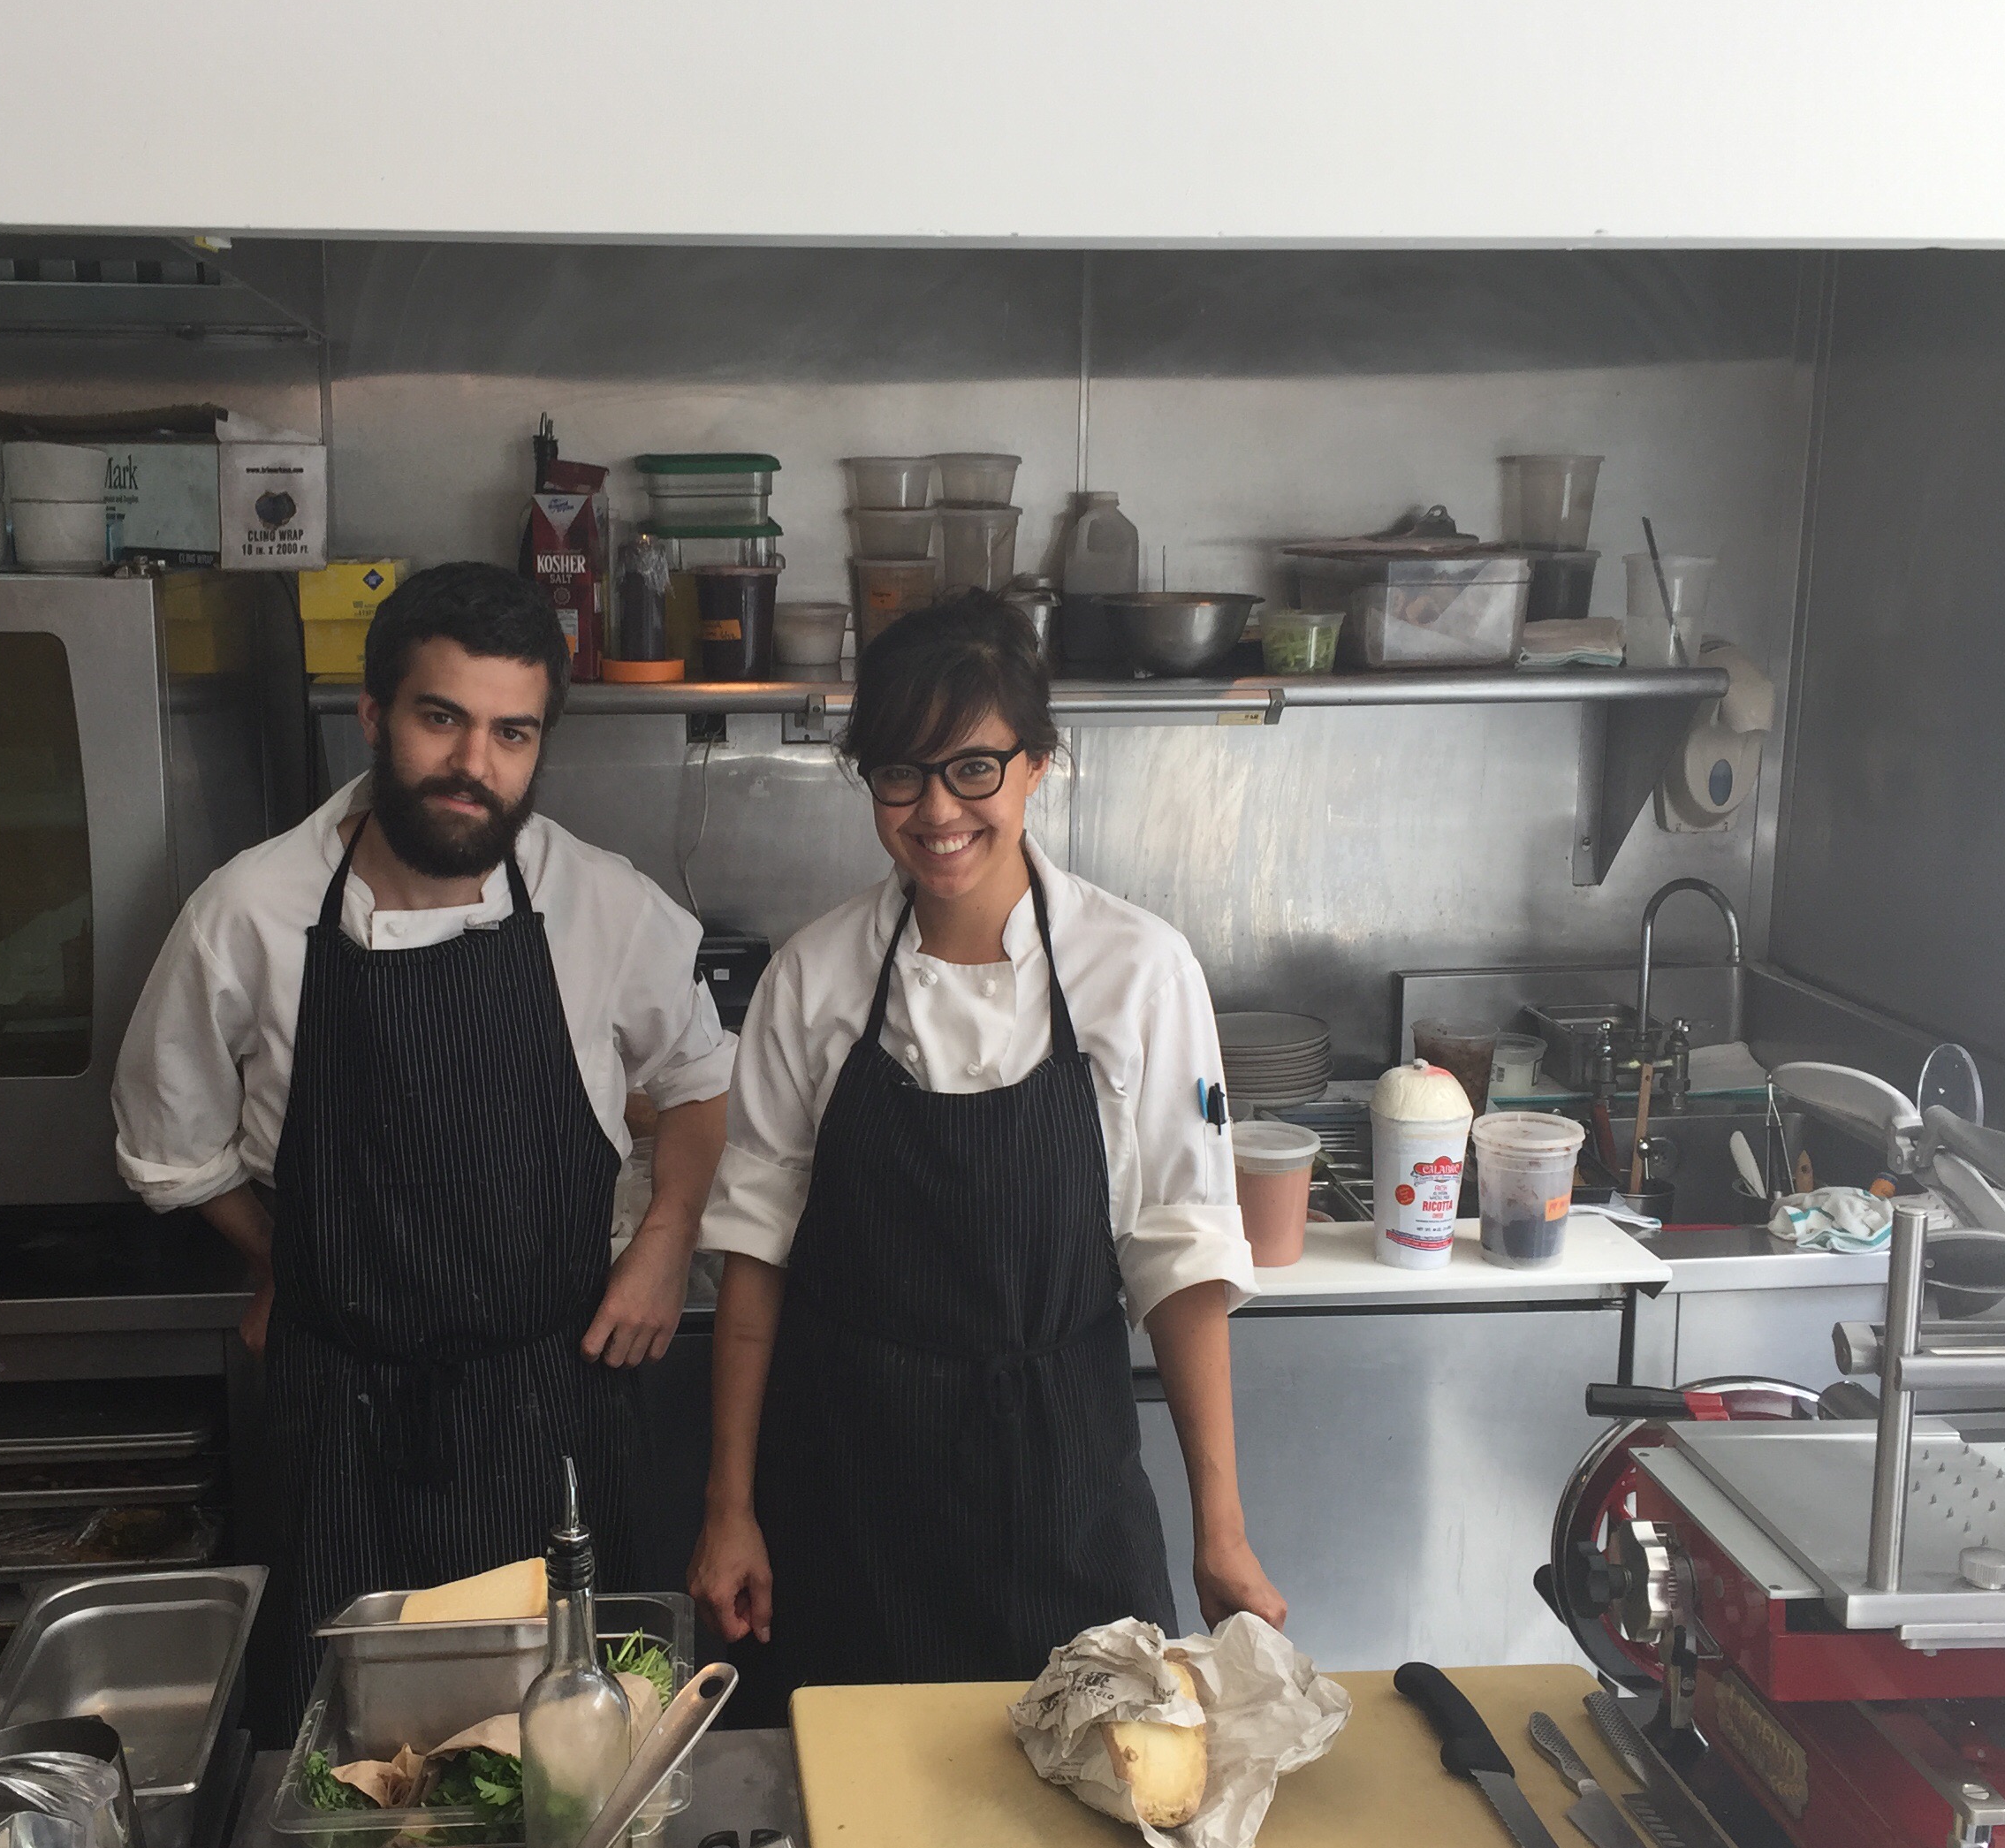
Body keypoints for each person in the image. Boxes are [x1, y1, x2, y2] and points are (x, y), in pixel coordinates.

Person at [113, 561, 732, 1713]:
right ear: (373, 716)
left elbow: (699, 1080)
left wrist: (667, 1237)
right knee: (351, 1751)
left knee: (582, 1742)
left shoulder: (601, 902)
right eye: (441, 719)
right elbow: (172, 1150)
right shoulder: (249, 914)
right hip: (342, 1421)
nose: (472, 764)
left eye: (511, 733)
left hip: (557, 1401)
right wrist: (288, 1265)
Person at [689, 591, 1285, 1701]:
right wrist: (730, 1510)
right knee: (856, 1790)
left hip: (1065, 1483)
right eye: (900, 774)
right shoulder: (812, 979)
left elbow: (1182, 1259)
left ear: (1037, 764)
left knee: (1099, 1778)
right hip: (852, 1488)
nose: (937, 810)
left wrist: (1223, 1529)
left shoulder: (1139, 971)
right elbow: (754, 1260)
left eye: (974, 768)